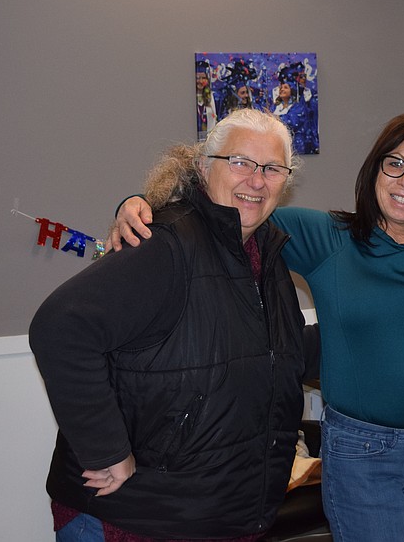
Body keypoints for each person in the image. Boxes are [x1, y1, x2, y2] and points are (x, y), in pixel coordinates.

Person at [112, 105, 404, 542]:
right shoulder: (326, 238)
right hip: (362, 453)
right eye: (395, 164)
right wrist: (143, 203)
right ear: (375, 170)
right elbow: (234, 205)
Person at [30, 109, 319, 541]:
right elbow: (60, 327)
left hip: (220, 518)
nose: (256, 181)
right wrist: (107, 450)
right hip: (132, 518)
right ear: (203, 167)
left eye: (272, 168)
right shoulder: (165, 244)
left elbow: (275, 354)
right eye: (240, 162)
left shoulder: (265, 254)